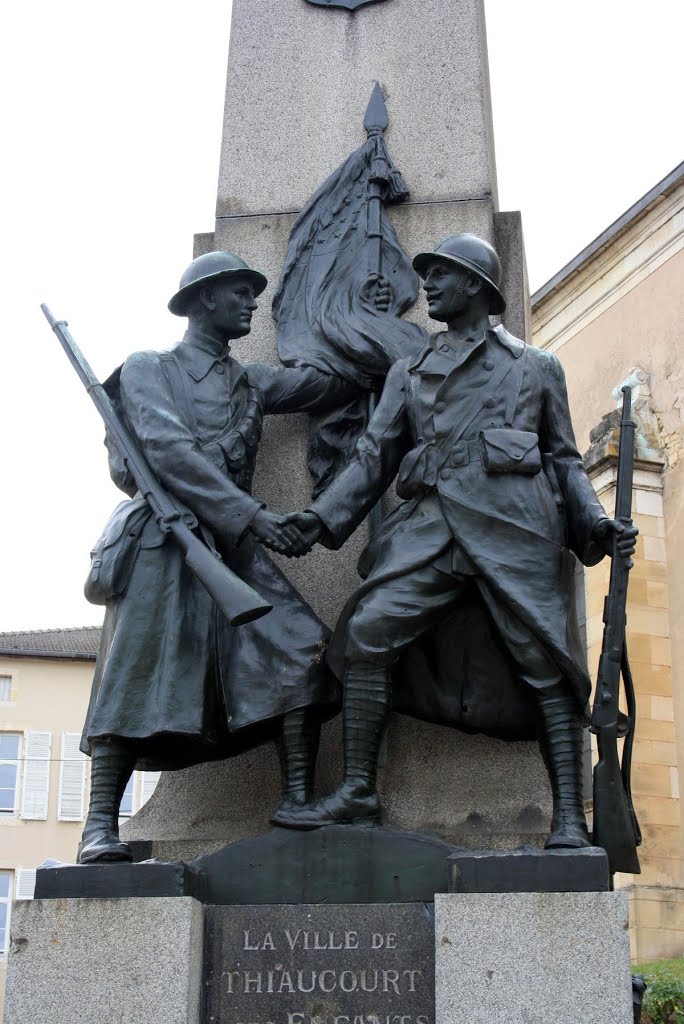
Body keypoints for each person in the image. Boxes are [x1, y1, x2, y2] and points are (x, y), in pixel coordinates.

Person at [274, 233, 637, 849]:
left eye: (441, 275)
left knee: (547, 664)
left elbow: (565, 460)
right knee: (366, 633)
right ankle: (360, 788)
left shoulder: (536, 367)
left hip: (517, 527)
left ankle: (570, 816)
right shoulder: (409, 370)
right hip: (433, 527)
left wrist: (596, 525)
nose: (428, 287)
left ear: (475, 286)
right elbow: (372, 456)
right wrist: (318, 519)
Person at [78, 251, 352, 864]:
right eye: (240, 292)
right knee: (135, 677)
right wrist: (256, 518)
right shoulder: (151, 369)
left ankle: (298, 801)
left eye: (255, 294)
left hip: (229, 544)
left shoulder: (248, 381)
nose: (253, 304)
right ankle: (99, 826)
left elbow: (329, 382)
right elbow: (169, 452)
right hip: (165, 540)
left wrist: (367, 326)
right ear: (204, 300)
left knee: (303, 650)